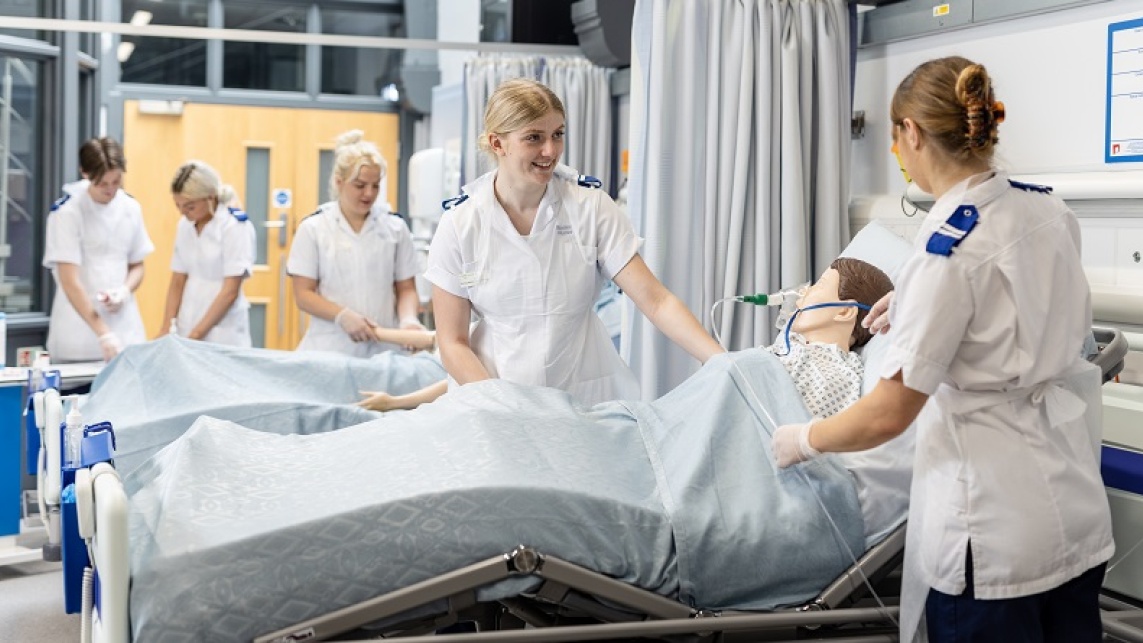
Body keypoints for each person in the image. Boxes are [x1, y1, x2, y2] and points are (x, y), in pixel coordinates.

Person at [772, 56, 1112, 643]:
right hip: (1073, 508)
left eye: (895, 141)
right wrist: (910, 298)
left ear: (911, 133)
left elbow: (888, 413)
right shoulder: (1048, 209)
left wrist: (803, 440)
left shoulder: (942, 251)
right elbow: (1014, 300)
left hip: (992, 534)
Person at [425, 78, 724, 406]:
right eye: (534, 138)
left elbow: (656, 301)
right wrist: (502, 405)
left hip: (585, 395)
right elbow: (452, 342)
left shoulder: (590, 207)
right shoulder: (461, 225)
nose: (550, 151)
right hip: (495, 395)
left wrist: (719, 360)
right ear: (498, 144)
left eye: (558, 134)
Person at [287, 130, 424, 358]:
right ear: (339, 182)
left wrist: (408, 320)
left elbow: (406, 288)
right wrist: (342, 316)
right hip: (330, 348)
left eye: (375, 186)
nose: (368, 194)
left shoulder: (395, 228)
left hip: (384, 349)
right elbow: (303, 294)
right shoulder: (314, 228)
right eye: (359, 185)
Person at [43, 137, 154, 362]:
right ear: (85, 173)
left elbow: (137, 265)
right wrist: (103, 333)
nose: (111, 189)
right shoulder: (67, 213)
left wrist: (124, 291)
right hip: (78, 337)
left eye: (116, 181)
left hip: (125, 330)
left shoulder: (130, 208)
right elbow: (69, 281)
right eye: (103, 184)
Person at [157, 161, 256, 346]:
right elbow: (178, 280)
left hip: (222, 330)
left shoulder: (234, 226)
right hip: (188, 321)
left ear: (210, 197)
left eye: (190, 206)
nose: (183, 213)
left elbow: (230, 291)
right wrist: (165, 328)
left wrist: (195, 335)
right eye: (178, 206)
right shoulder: (185, 226)